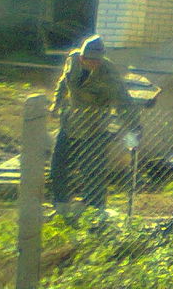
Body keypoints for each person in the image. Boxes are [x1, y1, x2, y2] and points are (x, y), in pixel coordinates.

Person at [49, 35, 138, 215]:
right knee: (58, 166)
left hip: (95, 127)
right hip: (70, 123)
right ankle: (61, 207)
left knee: (92, 171)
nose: (93, 63)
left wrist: (133, 127)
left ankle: (95, 212)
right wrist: (56, 104)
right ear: (82, 57)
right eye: (89, 59)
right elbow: (63, 82)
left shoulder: (109, 73)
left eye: (97, 60)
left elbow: (124, 102)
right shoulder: (73, 60)